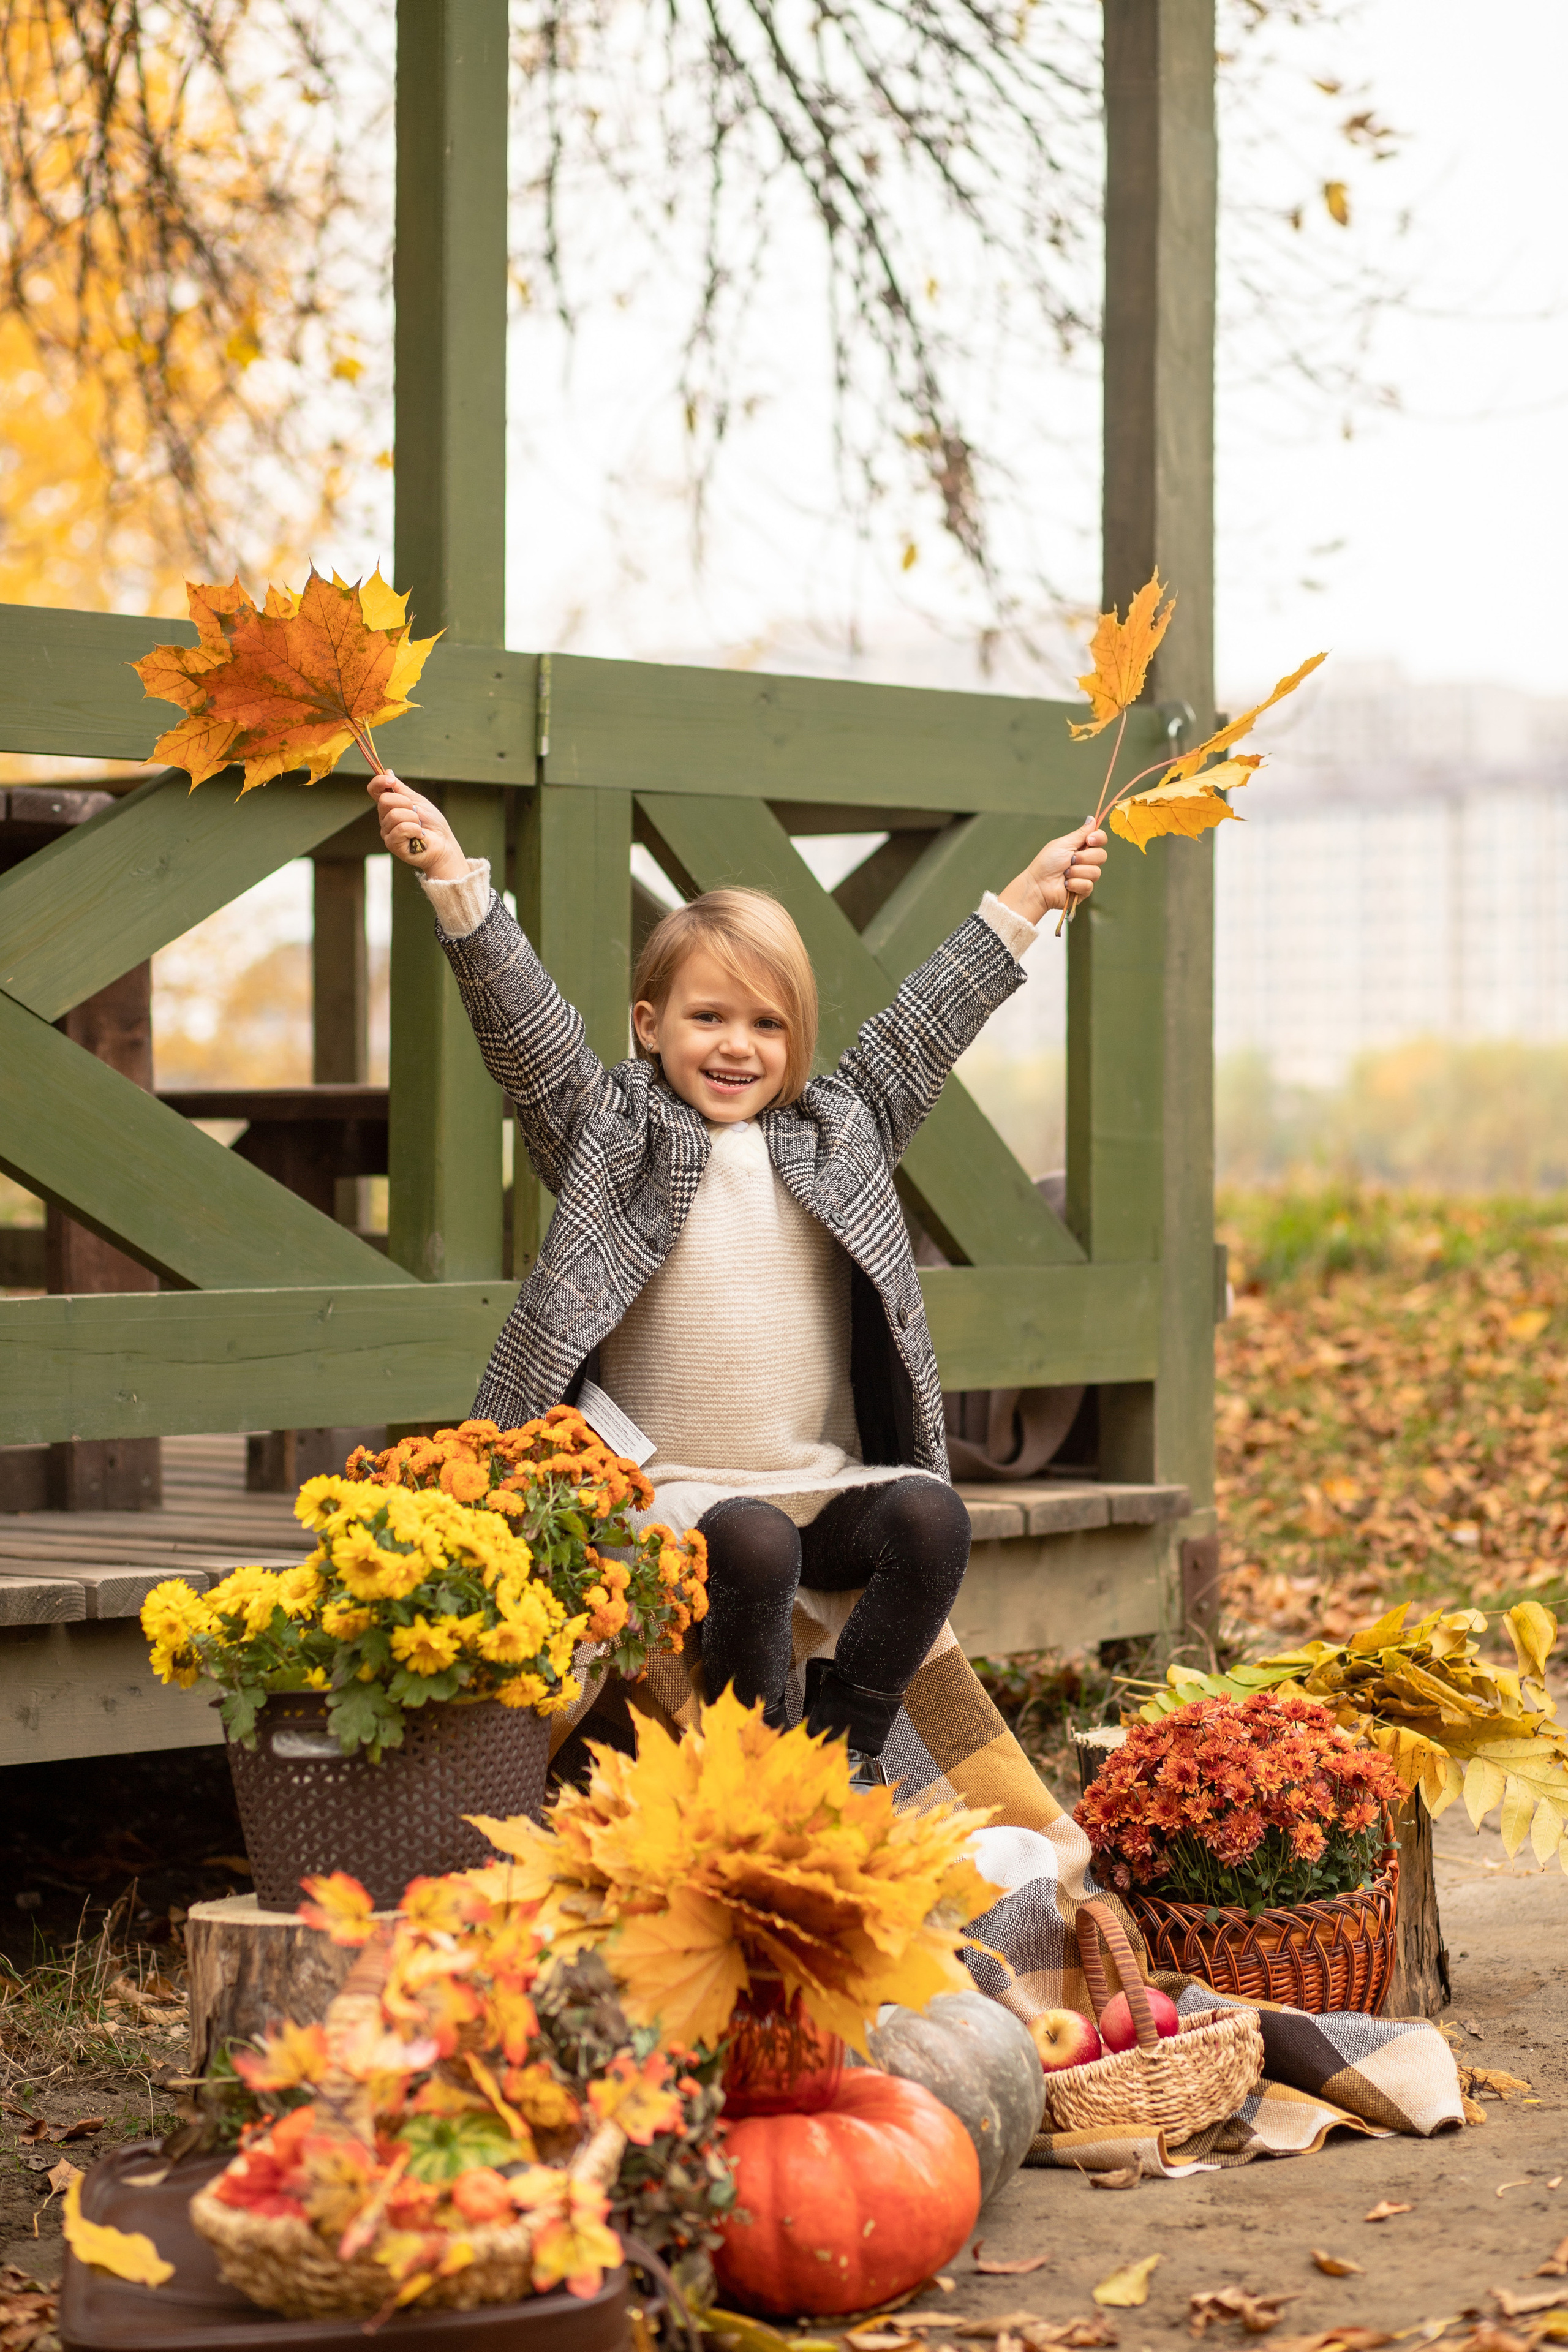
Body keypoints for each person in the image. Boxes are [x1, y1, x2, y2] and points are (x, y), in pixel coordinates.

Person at [369, 767, 1106, 1785]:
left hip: (819, 1481)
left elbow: (926, 1027)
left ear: (798, 1041)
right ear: (649, 1025)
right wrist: (454, 880)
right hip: (670, 1496)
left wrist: (1029, 897)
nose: (737, 1046)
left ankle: (845, 1747)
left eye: (767, 1025)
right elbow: (525, 1029)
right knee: (754, 1549)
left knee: (934, 1519)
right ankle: (753, 1765)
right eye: (708, 1017)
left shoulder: (842, 1132)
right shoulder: (610, 1131)